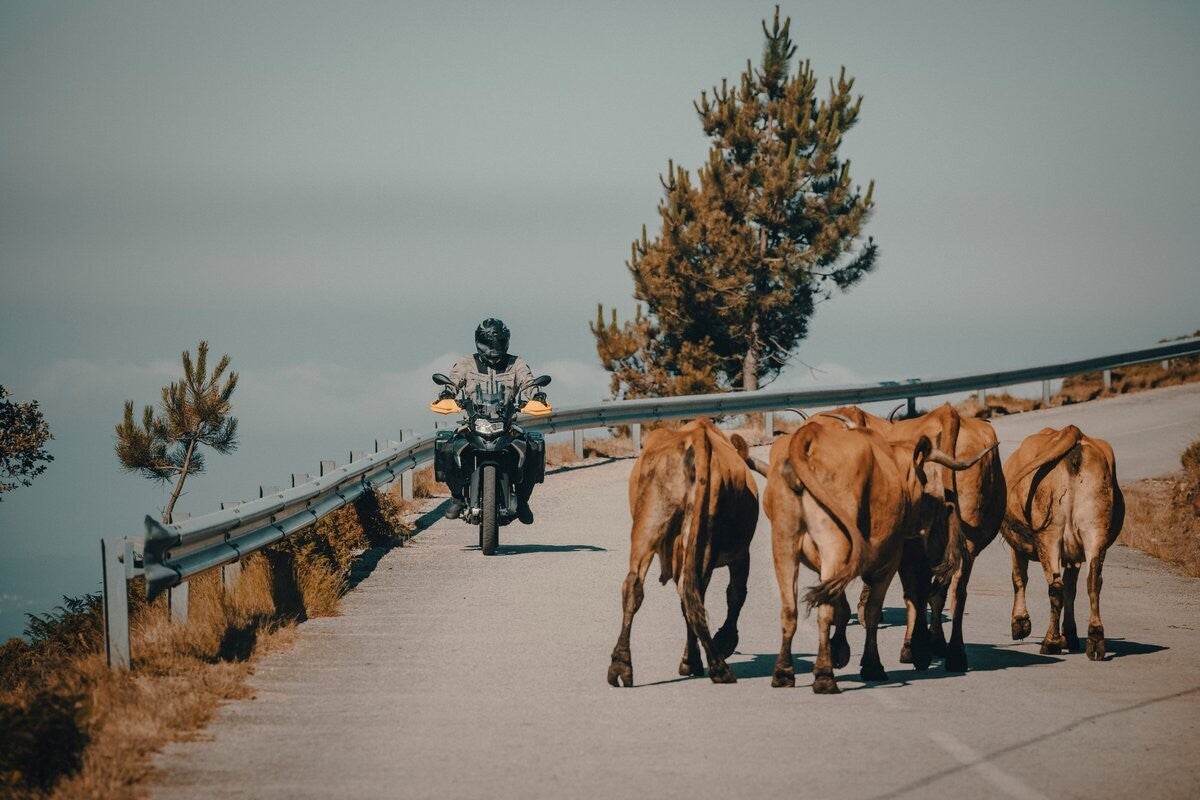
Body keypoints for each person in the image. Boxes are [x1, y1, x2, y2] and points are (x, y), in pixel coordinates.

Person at [437, 318, 546, 524]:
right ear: (479, 342)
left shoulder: (516, 363)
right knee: (447, 447)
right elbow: (453, 381)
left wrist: (537, 395)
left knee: (533, 446)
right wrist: (447, 393)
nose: (493, 349)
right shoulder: (466, 363)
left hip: (507, 424)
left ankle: (523, 501)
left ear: (506, 342)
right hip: (473, 423)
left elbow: (528, 382)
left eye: (499, 343)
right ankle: (457, 497)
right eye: (489, 344)